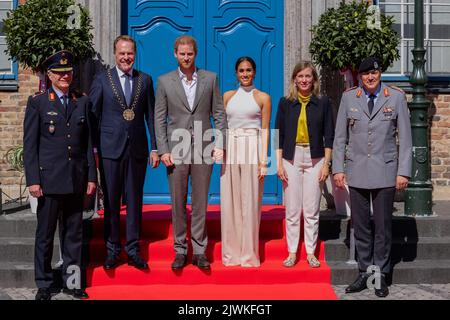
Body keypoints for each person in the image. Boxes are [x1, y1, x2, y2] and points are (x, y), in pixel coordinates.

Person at [333, 57, 412, 297]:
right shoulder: (349, 98)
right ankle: (364, 271)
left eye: (374, 74)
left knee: (382, 227)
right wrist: (338, 168)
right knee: (360, 227)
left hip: (386, 171)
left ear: (380, 75)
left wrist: (403, 171)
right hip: (357, 171)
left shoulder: (395, 97)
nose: (370, 78)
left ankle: (380, 276)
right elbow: (339, 138)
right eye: (366, 74)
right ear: (359, 76)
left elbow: (406, 139)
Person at [23, 50, 97, 300]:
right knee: (45, 236)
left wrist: (91, 177)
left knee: (74, 235)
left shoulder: (82, 101)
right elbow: (30, 145)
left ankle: (73, 282)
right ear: (50, 75)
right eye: (59, 72)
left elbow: (87, 144)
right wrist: (33, 180)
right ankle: (44, 284)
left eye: (68, 72)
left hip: (76, 179)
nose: (65, 76)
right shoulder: (39, 102)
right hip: (48, 181)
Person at [155, 35, 227, 270]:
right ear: (175, 54)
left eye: (190, 54)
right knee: (178, 201)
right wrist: (163, 149)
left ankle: (199, 251)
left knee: (200, 202)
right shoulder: (164, 81)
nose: (186, 57)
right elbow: (159, 118)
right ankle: (179, 249)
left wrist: (220, 143)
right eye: (182, 54)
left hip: (204, 147)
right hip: (176, 150)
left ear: (195, 54)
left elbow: (219, 113)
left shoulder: (210, 79)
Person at [89, 35, 160, 271]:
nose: (126, 57)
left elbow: (151, 116)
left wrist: (155, 146)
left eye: (130, 53)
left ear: (135, 54)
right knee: (110, 202)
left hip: (137, 150)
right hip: (110, 150)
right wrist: (95, 150)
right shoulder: (102, 80)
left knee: (134, 201)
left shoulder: (145, 80)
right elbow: (93, 117)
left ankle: (132, 249)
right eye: (122, 53)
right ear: (114, 54)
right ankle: (112, 250)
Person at [275, 61, 334, 269]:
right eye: (300, 76)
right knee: (292, 209)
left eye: (308, 76)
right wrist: (279, 165)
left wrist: (327, 164)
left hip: (315, 157)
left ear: (314, 80)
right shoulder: (285, 103)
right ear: (294, 79)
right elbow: (279, 135)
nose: (304, 80)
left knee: (311, 209)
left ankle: (310, 252)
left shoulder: (323, 102)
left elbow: (330, 135)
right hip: (290, 157)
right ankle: (292, 252)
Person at [220, 57, 271, 267]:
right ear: (236, 73)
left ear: (255, 72)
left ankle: (249, 254)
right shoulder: (228, 96)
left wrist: (263, 161)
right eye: (241, 70)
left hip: (253, 146)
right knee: (230, 201)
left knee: (250, 202)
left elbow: (266, 129)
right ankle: (231, 254)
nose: (245, 74)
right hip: (230, 147)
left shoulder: (263, 98)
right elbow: (223, 126)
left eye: (248, 70)